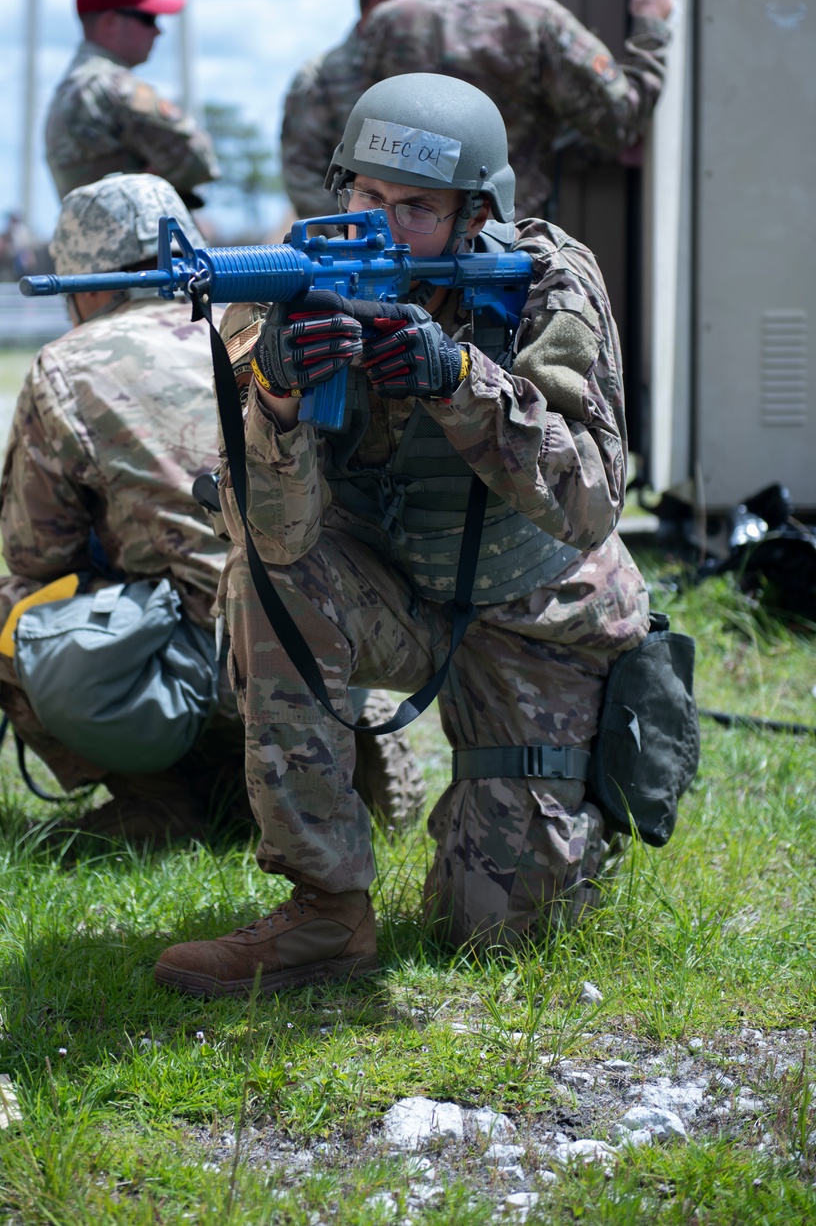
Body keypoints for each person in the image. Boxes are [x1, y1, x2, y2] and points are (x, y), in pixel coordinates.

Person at [154, 73, 651, 995]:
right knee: (268, 580)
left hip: (532, 612)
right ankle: (325, 911)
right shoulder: (278, 296)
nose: (380, 226)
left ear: (475, 218)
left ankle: (580, 790)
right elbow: (272, 534)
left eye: (416, 209)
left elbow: (590, 502)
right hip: (387, 592)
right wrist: (279, 399)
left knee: (497, 932)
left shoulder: (546, 282)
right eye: (367, 198)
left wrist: (459, 378)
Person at [0, 173, 425, 844]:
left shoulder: (67, 365)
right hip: (313, 636)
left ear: (87, 283)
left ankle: (159, 796)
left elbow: (38, 555)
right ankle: (310, 749)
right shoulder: (251, 324)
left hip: (183, 672)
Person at [360, 0, 674, 220]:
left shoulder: (387, 20)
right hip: (503, 236)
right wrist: (651, 26)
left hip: (404, 230)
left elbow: (354, 125)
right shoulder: (544, 21)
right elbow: (620, 120)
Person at [281, 0, 439, 220]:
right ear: (379, 1)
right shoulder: (320, 79)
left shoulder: (426, 69)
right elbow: (303, 176)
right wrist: (350, 239)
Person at [45, 0, 219, 207]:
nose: (158, 31)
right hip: (140, 243)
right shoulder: (113, 87)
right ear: (110, 22)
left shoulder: (67, 89)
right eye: (148, 18)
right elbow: (200, 161)